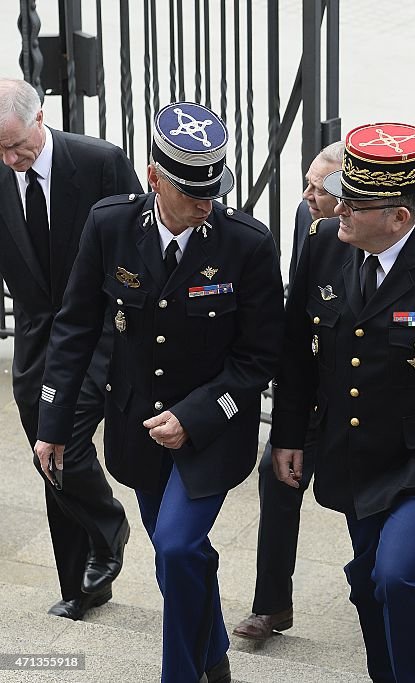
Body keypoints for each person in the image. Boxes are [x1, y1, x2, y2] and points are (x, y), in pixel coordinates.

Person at [34, 101, 285, 683]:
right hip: (136, 430)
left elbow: (259, 357)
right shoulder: (110, 223)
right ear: (154, 178)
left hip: (212, 432)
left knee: (174, 549)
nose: (206, 203)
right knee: (183, 560)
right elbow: (74, 326)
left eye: (213, 190)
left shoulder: (247, 243)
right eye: (192, 191)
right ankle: (214, 655)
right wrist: (52, 425)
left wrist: (195, 418)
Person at [270, 122, 415, 682]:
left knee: (398, 575)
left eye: (356, 201)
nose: (340, 208)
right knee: (370, 578)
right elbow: (298, 353)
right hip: (356, 452)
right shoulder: (324, 245)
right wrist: (287, 435)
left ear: (399, 216)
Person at [0, 78, 140, 621]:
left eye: (17, 145)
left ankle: (109, 527)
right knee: (46, 453)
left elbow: (137, 238)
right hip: (37, 335)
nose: (11, 159)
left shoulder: (100, 161)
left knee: (68, 443)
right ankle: (81, 587)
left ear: (41, 120)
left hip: (99, 327)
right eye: (0, 149)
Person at [233, 141, 345, 642]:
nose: (305, 196)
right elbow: (299, 308)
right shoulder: (310, 218)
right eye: (306, 182)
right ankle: (271, 605)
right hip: (311, 388)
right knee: (277, 476)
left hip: (363, 396)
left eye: (317, 189)